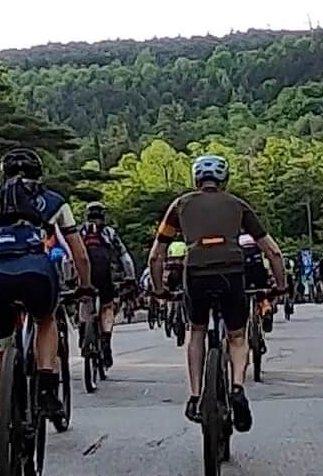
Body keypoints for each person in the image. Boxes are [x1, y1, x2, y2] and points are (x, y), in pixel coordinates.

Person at [0, 148, 92, 470]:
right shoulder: (54, 201)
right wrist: (86, 286)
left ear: (2, 175)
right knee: (45, 317)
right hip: (35, 271)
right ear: (39, 174)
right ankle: (47, 384)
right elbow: (80, 254)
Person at [148, 155, 288, 430]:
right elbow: (272, 250)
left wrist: (159, 290)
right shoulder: (238, 205)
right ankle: (237, 387)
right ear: (224, 180)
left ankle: (195, 395)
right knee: (237, 336)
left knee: (196, 331)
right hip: (232, 272)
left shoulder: (180, 205)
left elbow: (157, 255)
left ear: (196, 179)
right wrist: (280, 285)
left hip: (196, 272)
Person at [78, 201, 126, 369]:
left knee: (85, 300)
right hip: (105, 273)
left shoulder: (79, 232)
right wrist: (130, 277)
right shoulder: (109, 233)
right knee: (107, 306)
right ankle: (105, 341)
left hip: (85, 273)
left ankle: (83, 331)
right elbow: (123, 256)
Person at [240, 233, 275, 333]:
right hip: (259, 272)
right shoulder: (257, 234)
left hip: (241, 274)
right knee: (262, 294)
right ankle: (266, 309)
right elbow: (271, 254)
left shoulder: (233, 236)